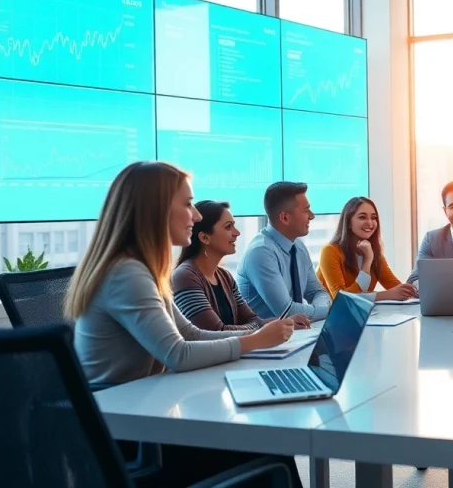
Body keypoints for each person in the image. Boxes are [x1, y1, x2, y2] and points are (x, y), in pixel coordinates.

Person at [64, 162, 301, 487]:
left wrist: (257, 335)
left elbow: (189, 334)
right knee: (271, 448)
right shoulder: (127, 274)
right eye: (187, 204)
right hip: (126, 439)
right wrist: (254, 341)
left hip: (143, 414)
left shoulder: (144, 270)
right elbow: (177, 353)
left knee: (264, 439)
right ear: (156, 211)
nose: (196, 214)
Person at [172, 200, 275, 331]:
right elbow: (216, 332)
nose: (237, 232)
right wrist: (257, 328)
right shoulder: (185, 276)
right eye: (228, 227)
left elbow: (254, 320)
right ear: (204, 238)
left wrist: (285, 322)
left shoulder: (225, 276)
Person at [237, 182, 331, 322]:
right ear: (285, 218)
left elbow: (317, 292)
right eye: (306, 210)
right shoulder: (261, 252)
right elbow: (287, 312)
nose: (312, 216)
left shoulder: (298, 247)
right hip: (265, 341)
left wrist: (321, 309)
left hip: (294, 334)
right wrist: (326, 310)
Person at [317, 196, 417, 301]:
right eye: (362, 217)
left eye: (373, 218)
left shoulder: (374, 253)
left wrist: (415, 291)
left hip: (360, 315)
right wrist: (368, 260)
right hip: (328, 315)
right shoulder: (330, 251)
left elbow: (395, 286)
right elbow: (342, 300)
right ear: (348, 222)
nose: (370, 223)